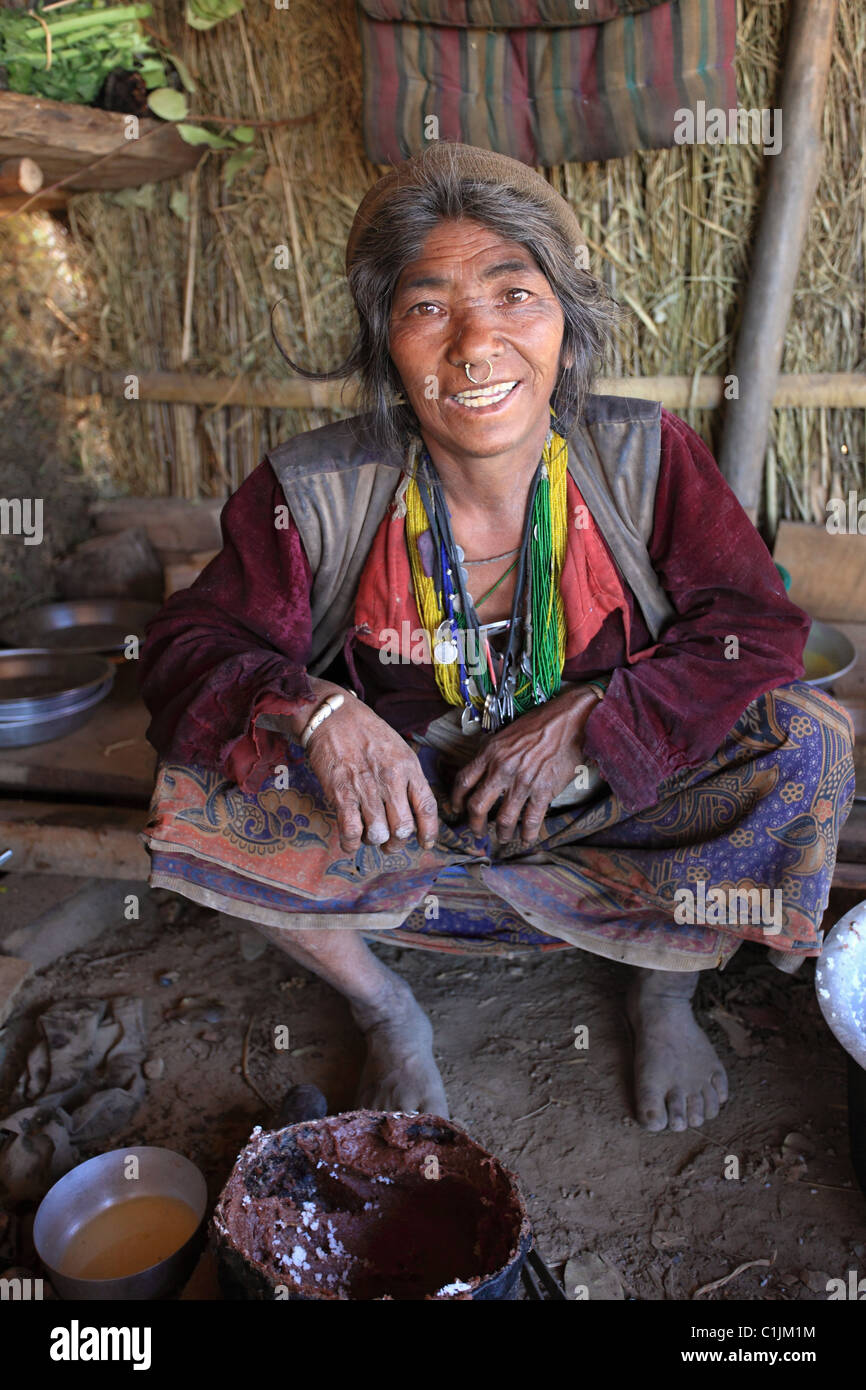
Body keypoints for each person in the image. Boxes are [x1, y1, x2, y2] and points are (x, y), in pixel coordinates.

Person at [139, 141, 855, 1133]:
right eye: (427, 306)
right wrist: (318, 714)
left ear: (565, 318)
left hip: (611, 801)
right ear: (386, 340)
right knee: (195, 781)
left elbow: (754, 628)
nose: (474, 345)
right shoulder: (314, 488)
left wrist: (594, 721)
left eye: (513, 294)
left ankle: (663, 985)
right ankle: (387, 1010)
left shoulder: (642, 455)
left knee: (806, 741)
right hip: (407, 815)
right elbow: (189, 648)